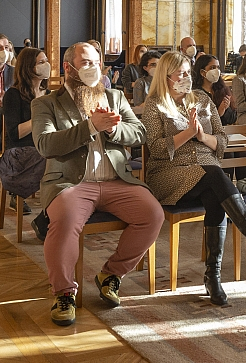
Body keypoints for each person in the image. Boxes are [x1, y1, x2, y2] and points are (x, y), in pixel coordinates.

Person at [32, 42, 164, 323]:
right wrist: (91, 127)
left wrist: (114, 129)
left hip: (116, 180)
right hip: (72, 184)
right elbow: (45, 144)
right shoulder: (46, 103)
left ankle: (111, 274)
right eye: (86, 63)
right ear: (68, 68)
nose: (94, 68)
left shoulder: (115, 96)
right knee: (65, 219)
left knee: (152, 214)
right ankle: (64, 293)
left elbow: (139, 132)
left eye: (96, 62)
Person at [140, 52, 246, 306]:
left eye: (188, 72)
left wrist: (202, 137)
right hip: (169, 174)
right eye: (180, 74)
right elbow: (156, 149)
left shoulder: (203, 99)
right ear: (166, 76)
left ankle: (213, 276)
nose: (186, 77)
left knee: (214, 191)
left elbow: (222, 140)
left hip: (207, 173)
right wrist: (187, 133)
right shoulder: (155, 105)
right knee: (215, 175)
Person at [0, 47, 51, 215]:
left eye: (46, 61)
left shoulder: (48, 94)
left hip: (44, 144)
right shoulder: (13, 95)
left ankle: (60, 204)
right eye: (41, 62)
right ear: (29, 67)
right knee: (49, 158)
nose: (46, 65)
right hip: (20, 149)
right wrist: (38, 118)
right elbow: (15, 134)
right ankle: (21, 195)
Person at [193, 53, 234, 125]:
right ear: (202, 72)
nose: (216, 71)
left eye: (218, 67)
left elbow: (233, 118)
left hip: (225, 129)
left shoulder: (221, 89)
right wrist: (218, 114)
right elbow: (199, 121)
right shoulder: (196, 93)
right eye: (212, 68)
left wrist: (226, 109)